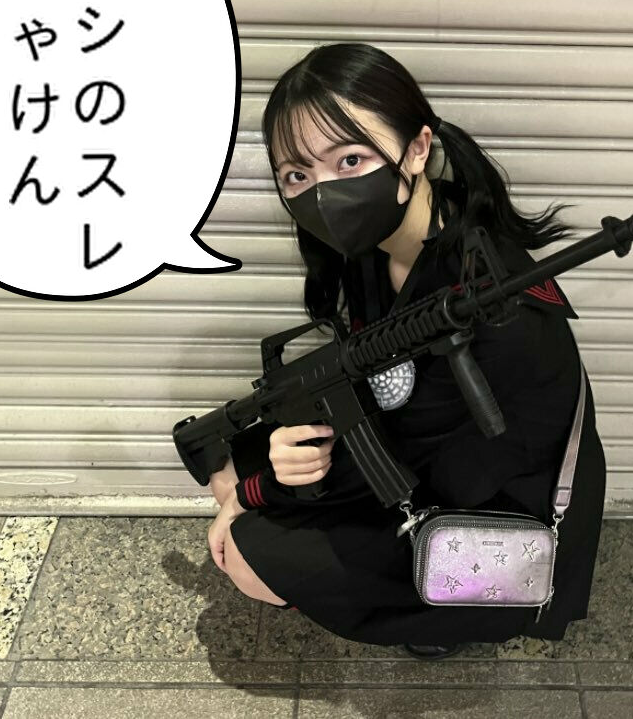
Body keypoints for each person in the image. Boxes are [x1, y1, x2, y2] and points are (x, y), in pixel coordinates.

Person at [206, 42, 607, 660]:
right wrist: (255, 472)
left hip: (490, 518)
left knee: (246, 554)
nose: (323, 193)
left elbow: (402, 462)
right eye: (297, 175)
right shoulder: (389, 237)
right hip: (422, 452)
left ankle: (448, 618)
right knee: (231, 461)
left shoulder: (491, 310)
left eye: (350, 159)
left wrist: (254, 496)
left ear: (417, 148)